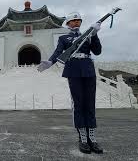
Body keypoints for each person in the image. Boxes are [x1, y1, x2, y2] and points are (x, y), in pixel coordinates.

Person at [38, 12, 103, 154]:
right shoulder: (63, 38)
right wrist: (50, 61)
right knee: (78, 103)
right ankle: (83, 138)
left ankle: (92, 138)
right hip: (73, 70)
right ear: (67, 23)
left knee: (90, 103)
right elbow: (58, 52)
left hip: (88, 69)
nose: (76, 22)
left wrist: (95, 34)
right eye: (73, 20)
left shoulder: (88, 35)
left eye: (78, 20)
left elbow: (97, 51)